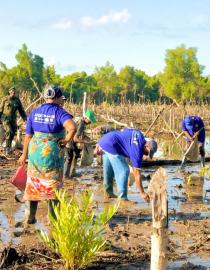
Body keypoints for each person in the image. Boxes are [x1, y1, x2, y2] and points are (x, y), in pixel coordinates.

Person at [18, 85, 77, 224]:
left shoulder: (34, 112)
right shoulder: (60, 113)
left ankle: (30, 217)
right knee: (53, 187)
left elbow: (27, 136)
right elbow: (72, 127)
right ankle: (53, 219)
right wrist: (66, 140)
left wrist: (24, 155)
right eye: (62, 99)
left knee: (33, 184)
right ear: (56, 99)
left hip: (35, 154)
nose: (63, 102)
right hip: (51, 155)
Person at [97, 128, 157, 202]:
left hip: (105, 139)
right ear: (146, 146)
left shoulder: (139, 134)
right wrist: (142, 193)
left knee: (109, 169)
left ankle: (108, 192)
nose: (147, 154)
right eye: (148, 152)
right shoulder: (137, 151)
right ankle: (123, 199)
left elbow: (123, 130)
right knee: (124, 170)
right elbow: (137, 175)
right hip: (112, 145)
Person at [63, 110, 96, 179]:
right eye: (90, 121)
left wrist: (86, 138)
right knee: (69, 158)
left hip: (66, 138)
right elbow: (76, 138)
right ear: (86, 118)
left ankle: (72, 172)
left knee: (76, 154)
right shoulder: (81, 123)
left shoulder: (78, 119)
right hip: (69, 140)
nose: (90, 122)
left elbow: (79, 134)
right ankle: (66, 176)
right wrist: (88, 142)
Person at [0, 87, 27, 155]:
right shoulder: (5, 99)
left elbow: (21, 111)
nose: (13, 93)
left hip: (13, 119)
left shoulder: (17, 100)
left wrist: (25, 119)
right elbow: (0, 109)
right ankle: (7, 148)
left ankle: (8, 147)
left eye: (14, 92)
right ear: (9, 92)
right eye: (11, 92)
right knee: (9, 131)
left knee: (13, 132)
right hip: (5, 119)